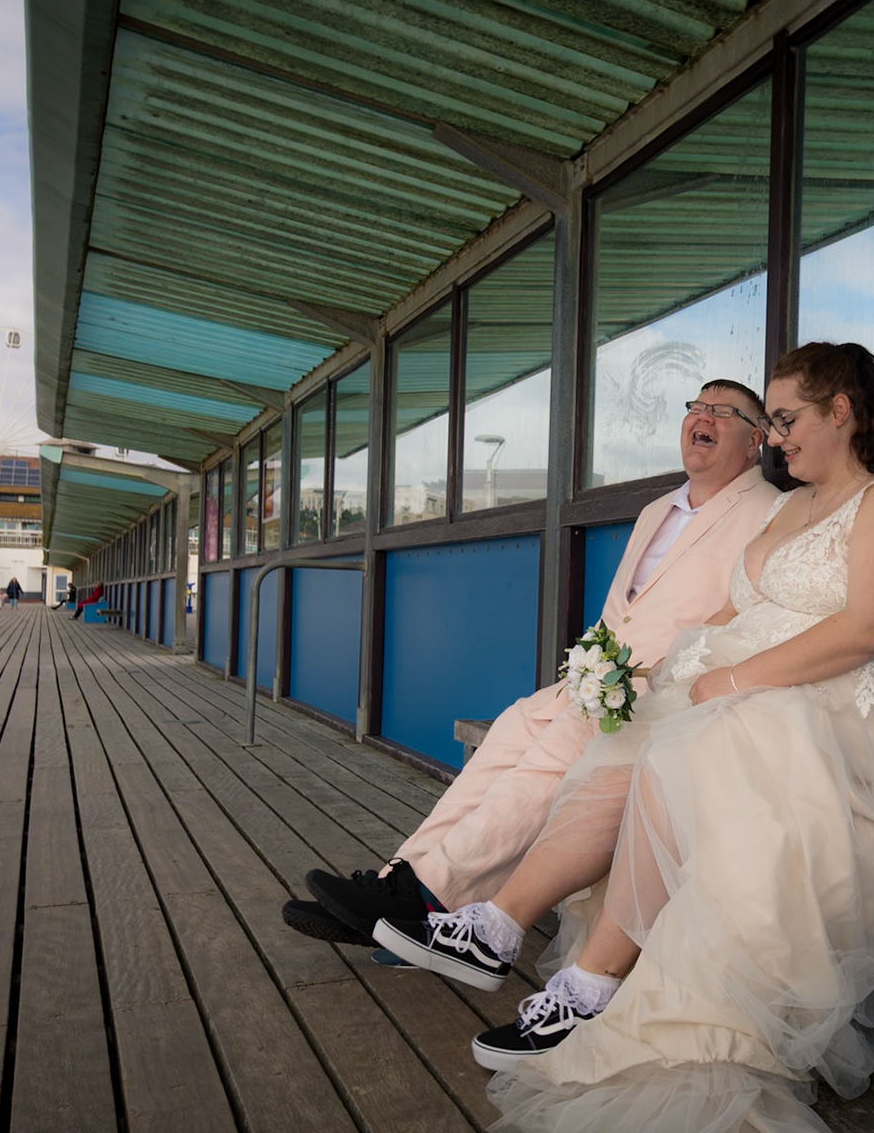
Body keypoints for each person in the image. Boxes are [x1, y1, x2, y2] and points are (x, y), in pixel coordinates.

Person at [374, 343, 874, 1133]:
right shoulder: (798, 507)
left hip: (862, 742)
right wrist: (655, 675)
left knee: (681, 747)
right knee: (634, 738)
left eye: (786, 420)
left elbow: (866, 630)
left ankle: (587, 984)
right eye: (774, 423)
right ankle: (500, 928)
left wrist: (728, 681)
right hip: (764, 702)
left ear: (843, 411)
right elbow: (731, 609)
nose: (777, 438)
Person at [286, 381, 781, 946]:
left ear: (756, 441)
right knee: (511, 730)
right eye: (696, 407)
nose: (704, 418)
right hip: (598, 684)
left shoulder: (766, 513)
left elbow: (743, 620)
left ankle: (427, 897)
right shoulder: (655, 511)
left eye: (724, 412)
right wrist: (590, 672)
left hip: (659, 701)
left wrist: (640, 681)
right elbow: (619, 612)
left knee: (553, 753)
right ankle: (395, 882)